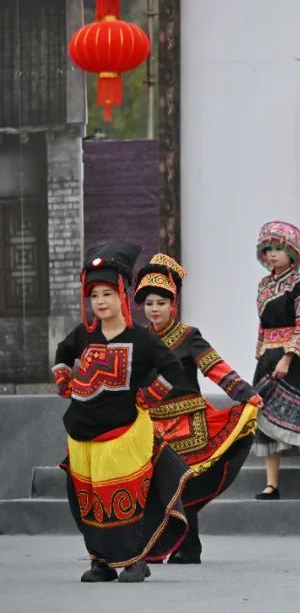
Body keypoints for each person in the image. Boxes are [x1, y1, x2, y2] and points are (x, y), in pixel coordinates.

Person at [52, 241, 191, 582]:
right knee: (90, 501)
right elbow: (62, 353)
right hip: (82, 434)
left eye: (107, 294)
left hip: (123, 433)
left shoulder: (141, 338)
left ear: (122, 296)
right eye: (94, 295)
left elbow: (173, 369)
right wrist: (64, 379)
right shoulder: (82, 335)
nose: (100, 301)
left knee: (124, 498)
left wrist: (149, 395)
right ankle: (100, 562)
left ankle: (135, 560)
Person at [135, 254, 261, 564]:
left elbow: (214, 367)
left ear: (173, 305)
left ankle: (188, 547)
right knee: (153, 486)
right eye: (149, 303)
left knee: (182, 483)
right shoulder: (138, 339)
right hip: (150, 424)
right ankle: (153, 546)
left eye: (161, 303)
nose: (154, 309)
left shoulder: (188, 336)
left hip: (187, 423)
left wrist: (246, 393)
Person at [251, 221, 300, 500]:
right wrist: (261, 354)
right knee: (264, 418)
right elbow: (262, 325)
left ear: (292, 253)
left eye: (279, 249)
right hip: (267, 357)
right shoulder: (264, 284)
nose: (272, 254)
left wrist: (289, 357)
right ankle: (271, 483)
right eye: (268, 249)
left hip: (294, 357)